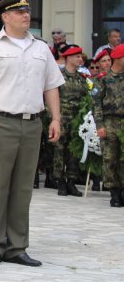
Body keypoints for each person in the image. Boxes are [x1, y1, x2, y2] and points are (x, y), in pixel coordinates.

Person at [0, 0, 64, 267]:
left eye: (27, 11)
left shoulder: (41, 47)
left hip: (32, 124)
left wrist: (55, 118)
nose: (26, 15)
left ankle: (17, 246)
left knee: (23, 188)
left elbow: (51, 85)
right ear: (5, 16)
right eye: (20, 12)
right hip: (0, 122)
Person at [94, 44, 124, 207]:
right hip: (110, 122)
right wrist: (100, 125)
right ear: (119, 59)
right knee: (110, 158)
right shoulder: (103, 79)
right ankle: (115, 193)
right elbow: (96, 103)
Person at [55, 43, 86, 197]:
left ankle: (71, 182)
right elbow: (52, 98)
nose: (80, 59)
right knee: (60, 150)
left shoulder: (82, 79)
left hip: (77, 120)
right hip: (62, 118)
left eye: (80, 56)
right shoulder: (58, 76)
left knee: (74, 151)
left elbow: (86, 100)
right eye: (77, 56)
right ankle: (60, 181)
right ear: (68, 58)